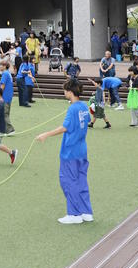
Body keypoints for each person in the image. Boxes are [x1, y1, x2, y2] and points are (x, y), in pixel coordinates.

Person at [35, 79, 94, 225]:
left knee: (68, 181)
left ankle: (74, 214)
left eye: (65, 90)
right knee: (81, 181)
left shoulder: (73, 108)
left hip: (70, 152)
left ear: (70, 91)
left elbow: (64, 127)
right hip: (81, 150)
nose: (64, 93)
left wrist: (45, 134)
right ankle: (86, 212)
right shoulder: (83, 106)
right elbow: (86, 120)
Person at [0, 60, 16, 134]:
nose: (0, 67)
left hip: (5, 96)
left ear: (5, 66)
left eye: (1, 65)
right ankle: (5, 129)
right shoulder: (8, 73)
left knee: (4, 114)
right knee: (6, 113)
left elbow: (2, 86)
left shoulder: (5, 74)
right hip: (8, 96)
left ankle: (10, 130)